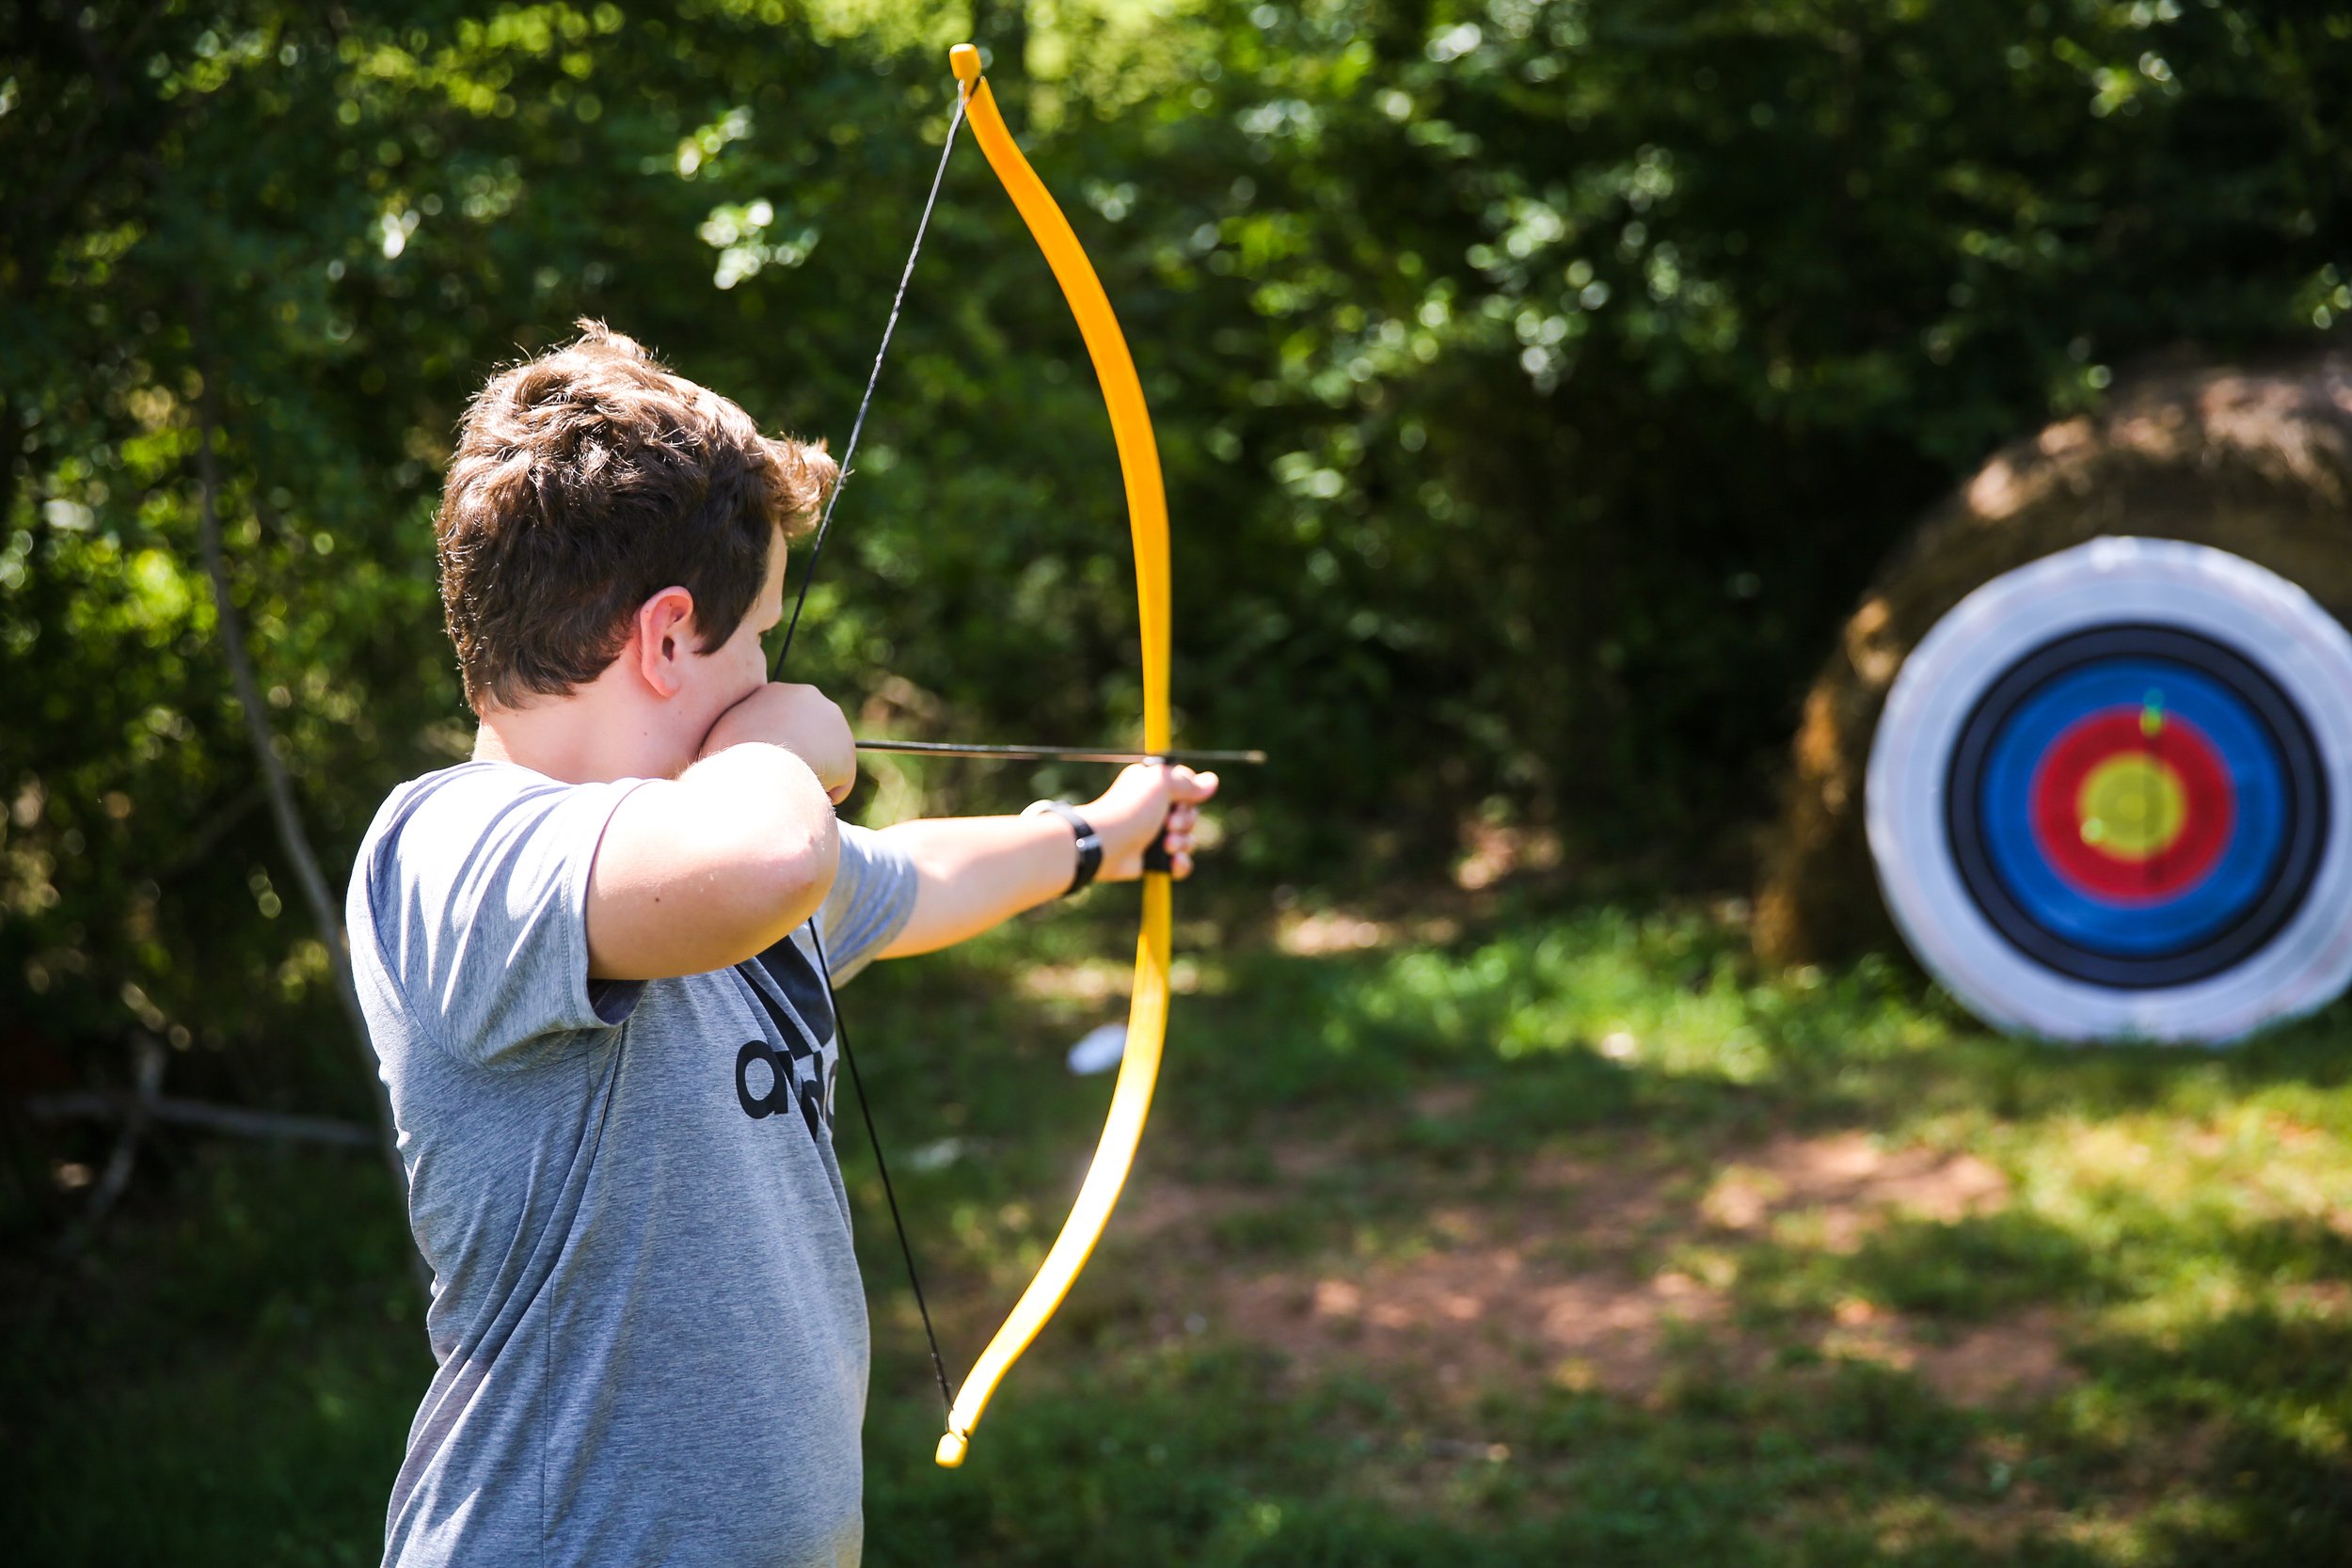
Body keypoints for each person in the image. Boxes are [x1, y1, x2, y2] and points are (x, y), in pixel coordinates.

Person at [343, 321, 1216, 1567]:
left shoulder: (709, 852)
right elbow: (772, 858)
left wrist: (1092, 839)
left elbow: (903, 877)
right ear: (662, 640)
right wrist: (786, 739)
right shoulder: (452, 847)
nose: (768, 670)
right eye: (756, 637)